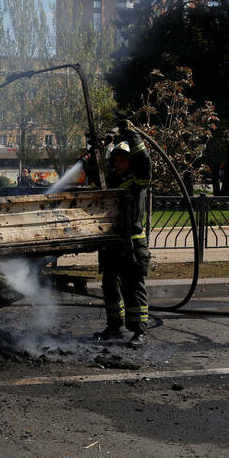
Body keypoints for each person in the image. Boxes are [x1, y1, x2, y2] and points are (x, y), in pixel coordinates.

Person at [93, 120, 152, 348]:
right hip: (111, 243)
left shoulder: (139, 181)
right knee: (109, 286)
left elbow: (144, 161)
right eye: (116, 159)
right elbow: (93, 170)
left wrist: (132, 135)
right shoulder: (110, 181)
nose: (119, 163)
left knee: (133, 288)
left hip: (132, 244)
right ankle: (114, 326)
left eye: (123, 160)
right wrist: (95, 146)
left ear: (130, 162)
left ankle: (139, 331)